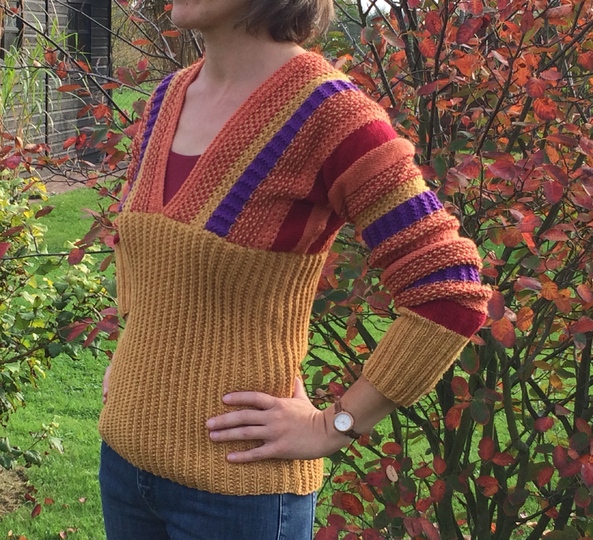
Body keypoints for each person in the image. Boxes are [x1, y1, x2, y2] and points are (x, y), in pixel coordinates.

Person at [98, 0, 491, 538]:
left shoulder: (334, 117)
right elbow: (149, 257)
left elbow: (450, 289)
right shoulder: (168, 97)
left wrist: (335, 424)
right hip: (124, 465)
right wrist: (132, 352)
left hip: (238, 493)